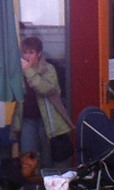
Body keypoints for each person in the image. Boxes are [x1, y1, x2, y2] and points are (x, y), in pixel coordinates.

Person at [12, 36, 72, 167]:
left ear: (39, 54)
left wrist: (29, 72)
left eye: (31, 52)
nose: (27, 56)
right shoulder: (19, 71)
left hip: (46, 120)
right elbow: (14, 95)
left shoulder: (48, 69)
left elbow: (46, 89)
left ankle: (46, 186)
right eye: (25, 52)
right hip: (27, 119)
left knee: (47, 157)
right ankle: (29, 188)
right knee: (28, 156)